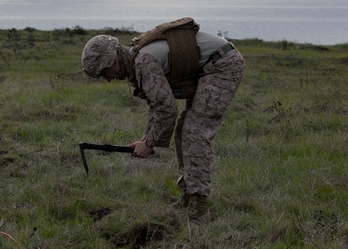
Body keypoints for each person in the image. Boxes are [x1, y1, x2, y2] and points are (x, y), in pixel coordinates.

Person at [80, 19, 245, 223]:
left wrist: (149, 144)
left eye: (105, 73)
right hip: (210, 66)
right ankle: (188, 198)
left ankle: (199, 208)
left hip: (223, 66)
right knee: (184, 131)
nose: (108, 79)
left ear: (113, 61)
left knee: (194, 133)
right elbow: (156, 104)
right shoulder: (136, 61)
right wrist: (146, 138)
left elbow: (167, 109)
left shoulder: (143, 62)